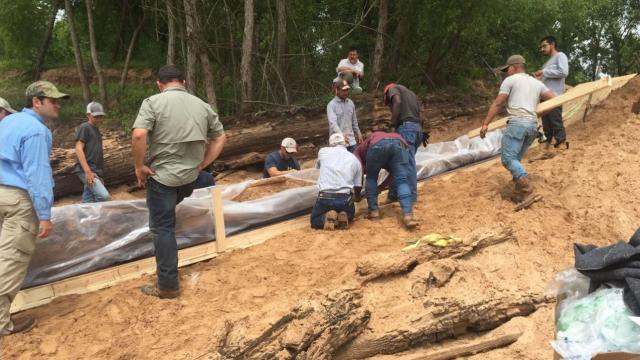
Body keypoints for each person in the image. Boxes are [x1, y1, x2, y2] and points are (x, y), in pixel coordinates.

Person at [132, 65, 226, 299]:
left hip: (162, 179)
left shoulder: (152, 102)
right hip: (190, 177)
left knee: (163, 227)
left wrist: (139, 166)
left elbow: (139, 135)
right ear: (184, 81)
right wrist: (202, 164)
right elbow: (220, 136)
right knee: (196, 188)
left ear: (159, 84)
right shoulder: (202, 105)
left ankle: (167, 285)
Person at [0, 81, 69, 336]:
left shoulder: (8, 122)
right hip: (17, 199)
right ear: (36, 102)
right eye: (52, 100)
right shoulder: (36, 131)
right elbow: (37, 175)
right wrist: (44, 214)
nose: (57, 104)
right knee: (10, 259)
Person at [480, 55, 554, 203]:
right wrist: (538, 114)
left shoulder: (510, 80)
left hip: (517, 125)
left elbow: (499, 102)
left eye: (507, 69)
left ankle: (527, 190)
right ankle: (519, 193)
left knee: (508, 159)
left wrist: (486, 123)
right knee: (516, 160)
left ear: (514, 67)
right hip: (532, 126)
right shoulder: (536, 82)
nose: (506, 72)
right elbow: (554, 99)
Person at [354, 120, 418, 229]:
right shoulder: (390, 134)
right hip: (400, 143)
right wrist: (381, 187)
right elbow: (394, 174)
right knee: (402, 180)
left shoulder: (358, 151)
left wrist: (357, 194)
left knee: (371, 177)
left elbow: (358, 174)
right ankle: (408, 215)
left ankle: (374, 212)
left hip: (378, 145)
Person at [311, 133, 362, 230]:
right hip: (345, 198)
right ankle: (343, 216)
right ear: (345, 143)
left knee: (314, 220)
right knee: (349, 216)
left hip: (325, 197)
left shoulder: (323, 152)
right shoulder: (355, 159)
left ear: (330, 144)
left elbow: (318, 167)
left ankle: (325, 218)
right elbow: (358, 186)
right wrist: (357, 197)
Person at [383, 83, 423, 203]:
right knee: (400, 162)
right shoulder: (411, 94)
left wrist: (393, 126)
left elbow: (398, 102)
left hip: (406, 129)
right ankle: (393, 194)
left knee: (408, 163)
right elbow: (421, 115)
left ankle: (410, 196)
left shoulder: (392, 89)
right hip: (417, 129)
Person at [535, 35, 569, 148]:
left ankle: (562, 145)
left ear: (552, 44)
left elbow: (564, 72)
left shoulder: (560, 56)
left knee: (556, 123)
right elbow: (545, 80)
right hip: (544, 98)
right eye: (541, 47)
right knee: (546, 126)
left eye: (544, 46)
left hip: (555, 97)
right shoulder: (546, 64)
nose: (542, 49)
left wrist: (544, 72)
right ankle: (546, 150)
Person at [73, 101, 111, 203]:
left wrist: (99, 174)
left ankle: (84, 218)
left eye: (100, 116)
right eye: (96, 116)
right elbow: (78, 148)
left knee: (88, 200)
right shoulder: (85, 127)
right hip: (86, 169)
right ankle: (96, 216)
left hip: (95, 170)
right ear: (88, 115)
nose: (99, 119)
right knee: (104, 196)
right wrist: (88, 171)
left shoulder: (96, 130)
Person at [327, 79, 362, 152]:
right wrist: (341, 136)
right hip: (338, 143)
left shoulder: (350, 103)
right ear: (337, 91)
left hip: (351, 141)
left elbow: (354, 121)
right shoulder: (331, 105)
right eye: (344, 90)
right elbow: (333, 124)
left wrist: (358, 133)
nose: (346, 92)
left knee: (356, 160)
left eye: (347, 90)